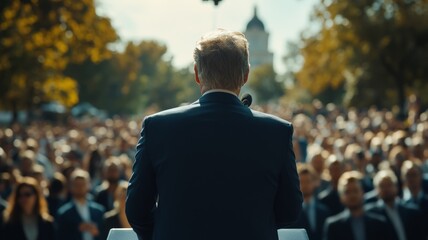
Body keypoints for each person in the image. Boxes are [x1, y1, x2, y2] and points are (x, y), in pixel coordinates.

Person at [126, 29, 302, 240]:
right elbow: (289, 211)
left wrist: (166, 230)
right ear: (246, 74)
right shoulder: (277, 131)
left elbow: (137, 209)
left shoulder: (158, 126)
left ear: (197, 74)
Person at [323, 171, 391, 240]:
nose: (352, 195)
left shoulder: (379, 224)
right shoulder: (333, 227)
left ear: (362, 193)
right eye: (347, 192)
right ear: (341, 197)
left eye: (355, 191)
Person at [365, 170, 425, 240]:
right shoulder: (372, 214)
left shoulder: (411, 211)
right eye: (382, 186)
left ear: (396, 187)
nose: (386, 189)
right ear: (376, 190)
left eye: (389, 185)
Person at [56, 169, 105, 240]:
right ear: (71, 187)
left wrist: (96, 231)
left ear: (88, 185)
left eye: (83, 184)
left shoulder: (99, 211)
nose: (80, 188)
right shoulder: (64, 213)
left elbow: (105, 234)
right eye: (77, 185)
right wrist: (77, 228)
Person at [289, 163, 330, 240]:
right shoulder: (292, 213)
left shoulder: (325, 211)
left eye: (308, 181)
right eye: (302, 182)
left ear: (314, 183)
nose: (305, 185)